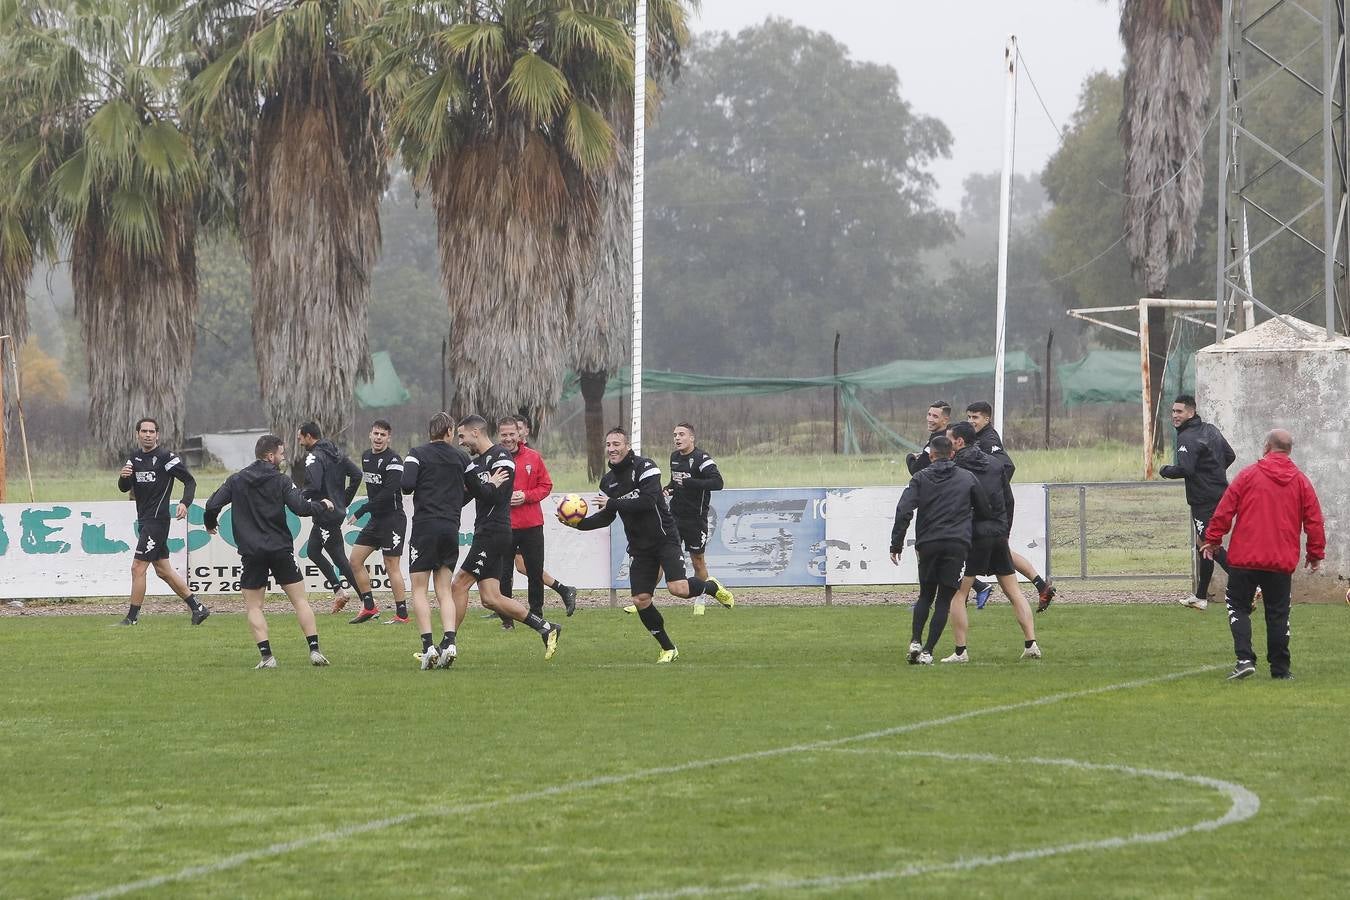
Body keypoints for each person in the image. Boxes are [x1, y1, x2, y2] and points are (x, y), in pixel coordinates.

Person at [567, 427, 735, 663]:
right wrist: (577, 524)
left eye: (616, 444)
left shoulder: (646, 467)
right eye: (608, 445)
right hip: (639, 547)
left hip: (665, 538)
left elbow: (647, 501)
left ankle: (710, 588)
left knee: (678, 589)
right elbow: (606, 516)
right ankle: (668, 648)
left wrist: (613, 503)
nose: (612, 449)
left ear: (627, 446)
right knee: (641, 600)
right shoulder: (608, 482)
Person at [1200, 429, 1324, 681]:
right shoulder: (1301, 481)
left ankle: (1244, 659)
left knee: (1237, 605)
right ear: (1289, 450)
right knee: (1278, 613)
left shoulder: (1248, 475)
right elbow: (1314, 520)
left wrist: (1213, 539)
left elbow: (1225, 509)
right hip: (1280, 561)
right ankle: (1280, 670)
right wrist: (1315, 553)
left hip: (1245, 558)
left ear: (1266, 446)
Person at [203, 434, 335, 668]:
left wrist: (210, 521)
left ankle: (267, 657)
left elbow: (213, 504)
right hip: (280, 548)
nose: (283, 458)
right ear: (270, 455)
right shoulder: (281, 481)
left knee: (254, 606)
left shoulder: (237, 479)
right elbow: (302, 508)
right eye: (281, 454)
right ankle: (314, 650)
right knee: (300, 601)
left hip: (252, 552)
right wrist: (323, 505)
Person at [443, 414, 562, 667]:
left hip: (493, 532)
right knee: (490, 598)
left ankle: (448, 644)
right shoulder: (479, 463)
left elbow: (498, 497)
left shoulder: (501, 458)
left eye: (462, 436)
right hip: (487, 531)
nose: (461, 442)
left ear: (476, 432)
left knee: (459, 585)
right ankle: (547, 627)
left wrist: (481, 484)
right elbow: (468, 496)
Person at [941, 423, 1040, 662]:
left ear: (960, 442)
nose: (946, 444)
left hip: (973, 536)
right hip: (997, 533)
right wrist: (1004, 531)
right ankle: (1031, 643)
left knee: (958, 593)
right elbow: (1009, 500)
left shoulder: (956, 468)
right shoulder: (996, 464)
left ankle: (960, 651)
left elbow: (955, 504)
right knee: (1013, 590)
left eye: (949, 440)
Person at [889, 435, 990, 665]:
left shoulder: (920, 478)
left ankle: (915, 640)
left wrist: (896, 543)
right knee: (944, 600)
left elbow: (904, 509)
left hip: (928, 543)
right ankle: (928, 651)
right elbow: (985, 509)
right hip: (957, 544)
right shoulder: (967, 478)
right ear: (952, 453)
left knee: (925, 594)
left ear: (931, 455)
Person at [400, 413, 479, 670]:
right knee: (444, 590)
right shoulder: (461, 457)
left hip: (425, 527)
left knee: (419, 589)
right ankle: (450, 641)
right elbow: (476, 488)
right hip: (449, 527)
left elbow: (407, 485)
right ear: (448, 432)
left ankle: (428, 647)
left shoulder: (417, 453)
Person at [115, 417, 210, 626]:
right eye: (144, 431)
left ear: (157, 435)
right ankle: (198, 608)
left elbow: (190, 481)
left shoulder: (166, 457)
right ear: (137, 434)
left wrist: (185, 503)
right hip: (144, 520)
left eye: (151, 431)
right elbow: (124, 487)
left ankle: (131, 618)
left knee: (137, 567)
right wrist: (123, 477)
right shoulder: (135, 459)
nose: (148, 434)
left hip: (157, 521)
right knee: (163, 571)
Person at [965, 401, 1057, 611]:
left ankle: (972, 592)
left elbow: (1007, 465)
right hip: (991, 509)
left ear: (987, 419)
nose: (971, 421)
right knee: (1001, 551)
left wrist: (989, 492)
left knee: (978, 549)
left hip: (996, 509)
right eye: (969, 417)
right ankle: (1041, 586)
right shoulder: (976, 438)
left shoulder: (988, 440)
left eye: (976, 417)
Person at [496, 416, 576, 627]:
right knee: (503, 573)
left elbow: (546, 485)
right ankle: (507, 619)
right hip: (504, 525)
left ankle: (537, 613)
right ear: (499, 435)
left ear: (519, 434)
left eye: (511, 434)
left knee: (534, 571)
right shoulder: (494, 458)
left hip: (531, 524)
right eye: (504, 434)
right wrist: (503, 497)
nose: (508, 438)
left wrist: (526, 496)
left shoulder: (533, 457)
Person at [1159, 394, 1237, 610]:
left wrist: (1165, 470)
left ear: (1190, 412)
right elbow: (1230, 456)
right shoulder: (1210, 429)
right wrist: (1214, 476)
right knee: (1203, 545)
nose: (1175, 415)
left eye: (1179, 412)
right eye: (1173, 411)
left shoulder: (1186, 437)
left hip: (1204, 501)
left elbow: (1186, 469)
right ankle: (1201, 597)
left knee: (1210, 545)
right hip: (1221, 495)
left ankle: (1251, 585)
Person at [346, 419, 408, 624]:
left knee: (391, 566)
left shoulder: (394, 460)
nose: (378, 438)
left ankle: (402, 614)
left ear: (389, 438)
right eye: (376, 434)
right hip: (376, 520)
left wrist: (362, 510)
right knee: (355, 561)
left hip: (393, 519)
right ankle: (370, 607)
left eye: (383, 435)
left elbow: (388, 491)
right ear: (370, 435)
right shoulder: (365, 457)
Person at [297, 422, 363, 614]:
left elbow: (314, 485)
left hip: (326, 513)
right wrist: (343, 500)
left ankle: (367, 602)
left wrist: (300, 498)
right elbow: (357, 475)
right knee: (313, 551)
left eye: (300, 437)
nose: (299, 442)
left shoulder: (314, 457)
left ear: (309, 436)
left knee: (340, 559)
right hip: (332, 512)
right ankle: (339, 591)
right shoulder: (337, 452)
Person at [666, 422, 730, 616]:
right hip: (674, 516)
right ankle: (643, 598)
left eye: (682, 434)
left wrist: (690, 482)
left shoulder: (701, 458)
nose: (677, 438)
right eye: (675, 434)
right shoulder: (674, 457)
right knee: (664, 555)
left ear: (692, 438)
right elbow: (675, 482)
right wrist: (667, 488)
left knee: (698, 561)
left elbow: (718, 483)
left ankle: (701, 600)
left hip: (695, 519)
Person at [905, 400, 951, 476]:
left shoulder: (938, 441)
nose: (930, 419)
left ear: (945, 420)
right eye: (929, 414)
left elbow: (916, 470)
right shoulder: (949, 434)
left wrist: (910, 457)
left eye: (935, 416)